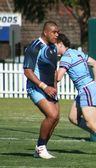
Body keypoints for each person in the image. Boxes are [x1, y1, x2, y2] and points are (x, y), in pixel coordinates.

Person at [23, 21, 60, 159]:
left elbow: (54, 70)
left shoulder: (53, 47)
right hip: (36, 88)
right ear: (45, 32)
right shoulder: (34, 47)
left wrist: (55, 88)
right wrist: (45, 86)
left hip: (51, 89)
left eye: (58, 32)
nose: (57, 35)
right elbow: (27, 71)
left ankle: (40, 148)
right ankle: (41, 147)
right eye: (54, 32)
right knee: (51, 116)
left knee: (56, 119)